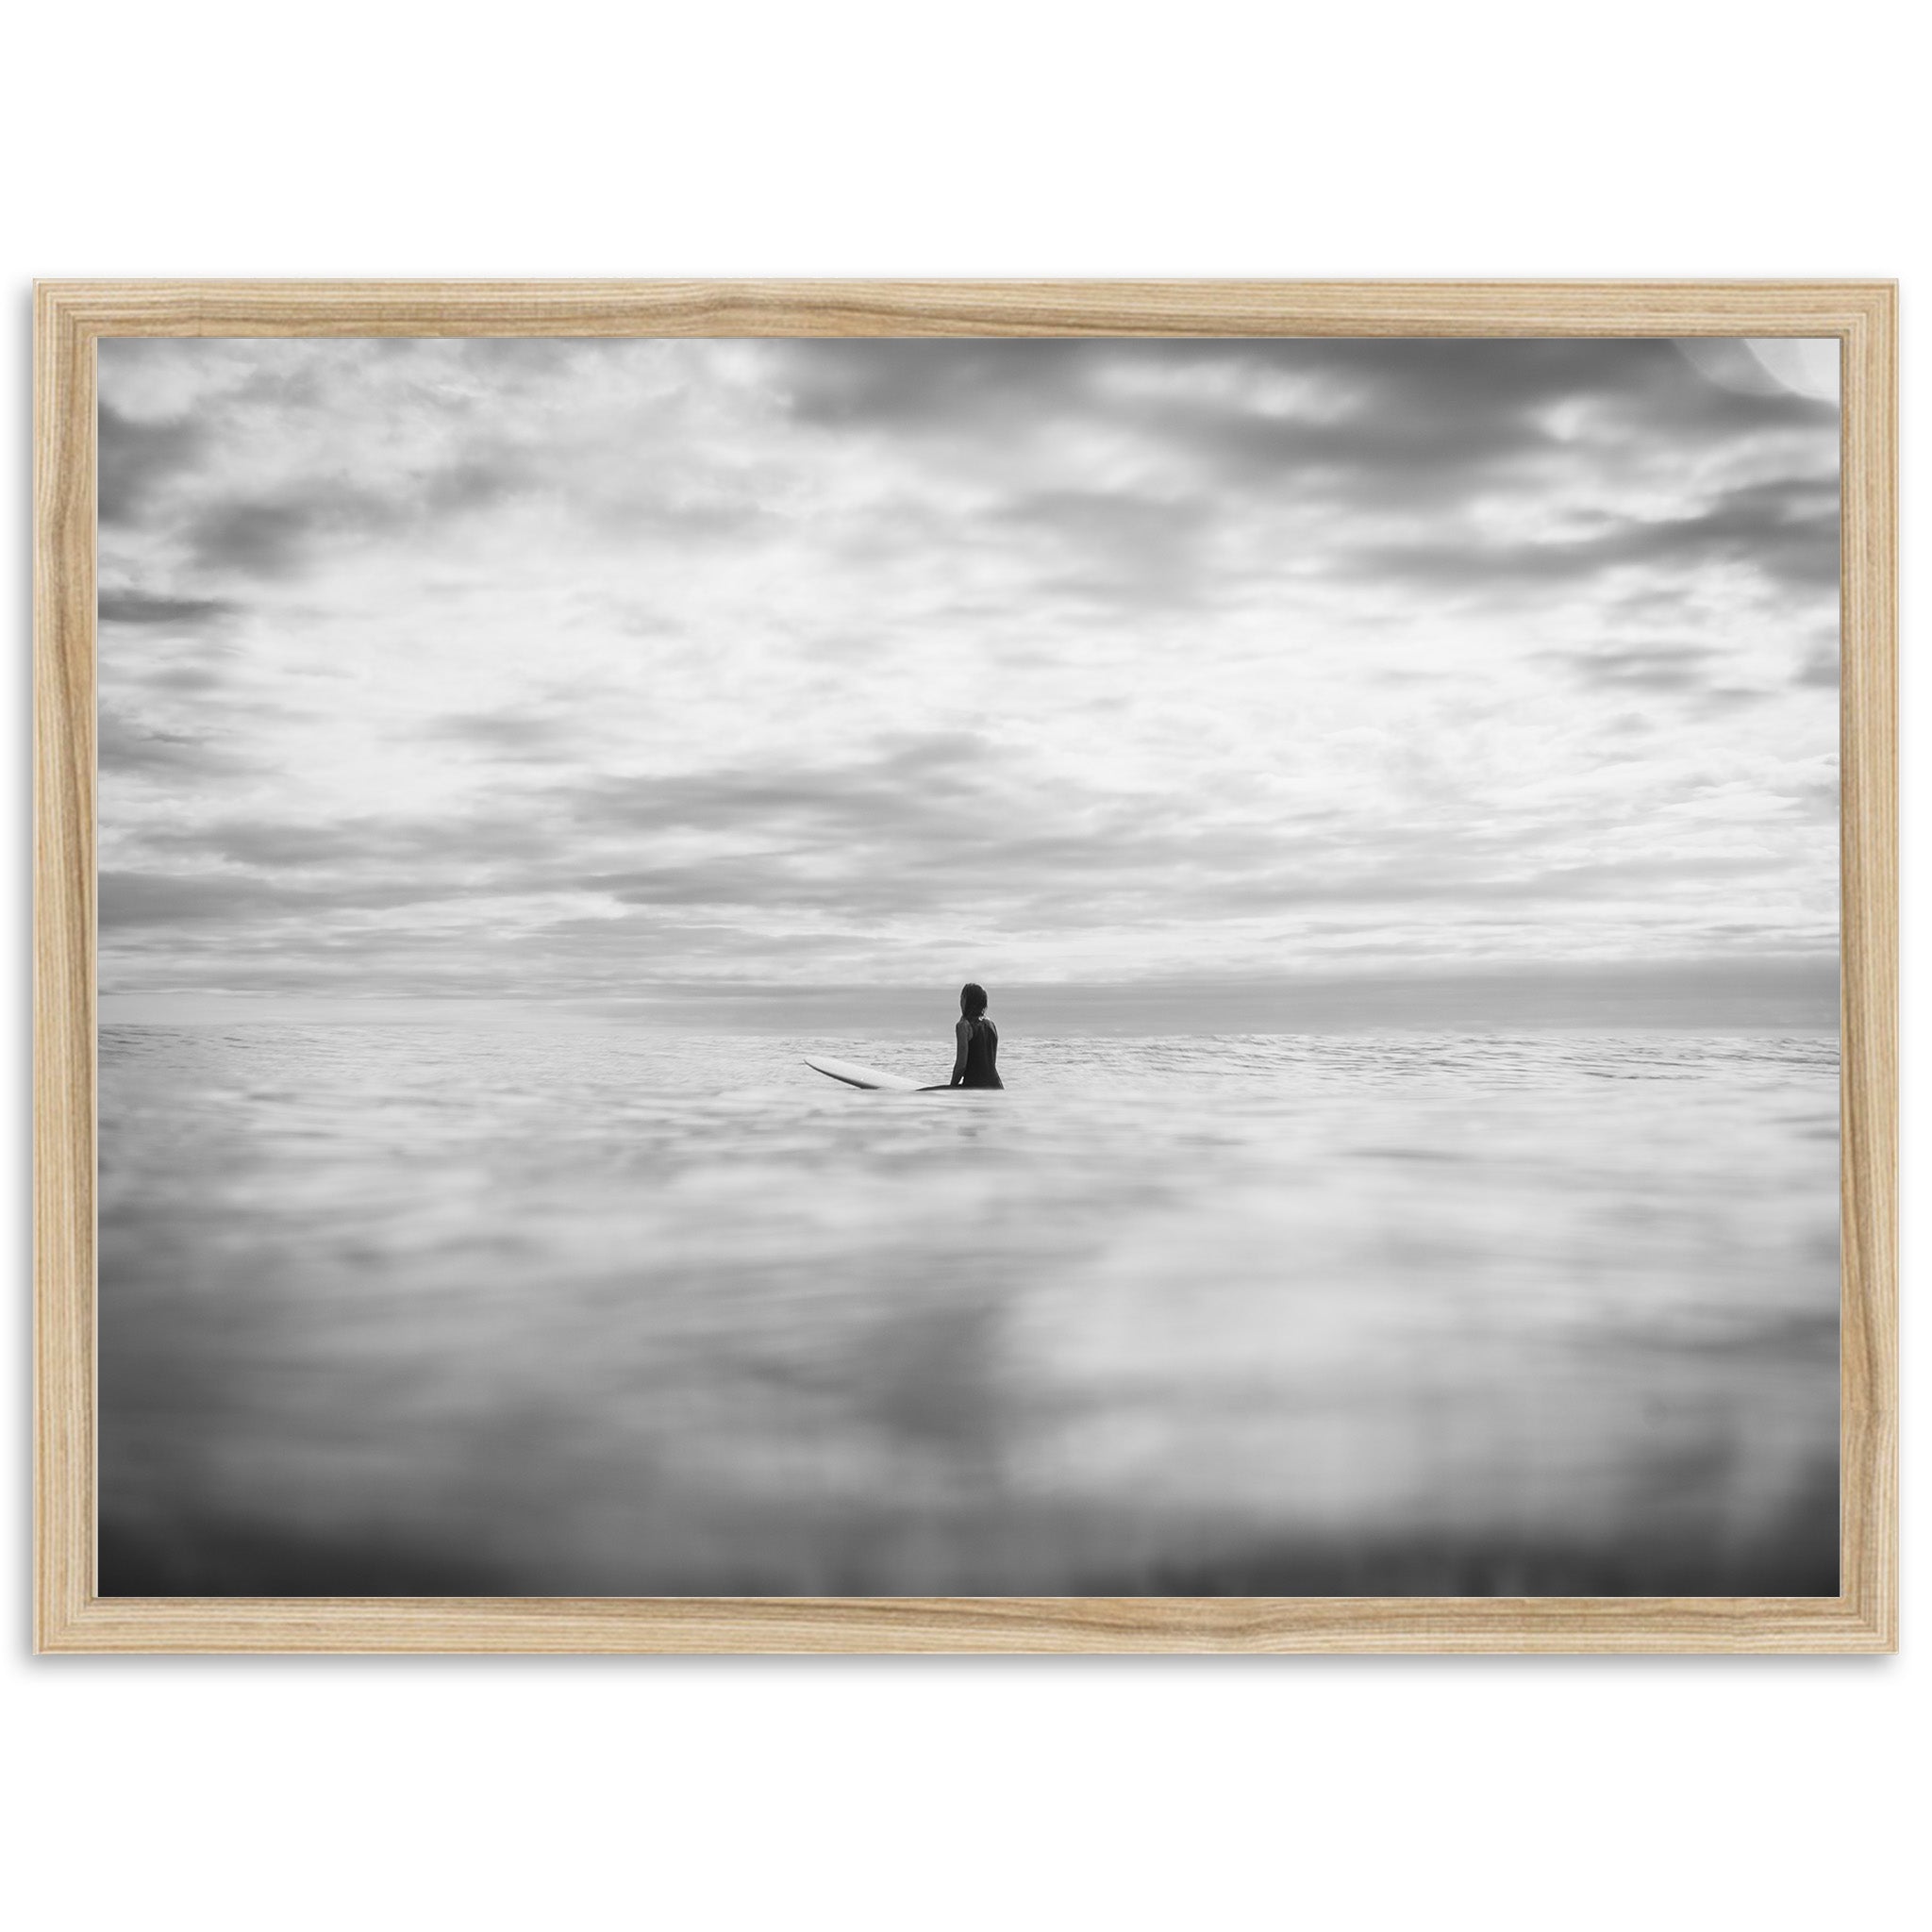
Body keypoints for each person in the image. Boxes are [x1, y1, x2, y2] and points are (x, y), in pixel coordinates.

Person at [948, 983, 1004, 1089]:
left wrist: (952, 1087)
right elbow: (990, 1063)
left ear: (966, 1001)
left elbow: (961, 1065)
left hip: (974, 1087)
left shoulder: (963, 1026)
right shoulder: (991, 1024)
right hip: (996, 1087)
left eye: (962, 998)